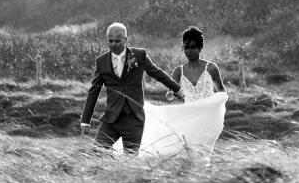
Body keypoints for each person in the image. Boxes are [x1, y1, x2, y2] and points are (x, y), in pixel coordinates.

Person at [79, 22, 183, 154]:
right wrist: (85, 121)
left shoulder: (139, 55)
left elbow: (157, 73)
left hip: (134, 119)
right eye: (110, 41)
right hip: (111, 119)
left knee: (129, 158)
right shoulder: (101, 61)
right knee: (96, 153)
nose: (113, 44)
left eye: (117, 41)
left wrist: (177, 89)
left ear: (125, 40)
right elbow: (94, 91)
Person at [136, 25, 229, 159]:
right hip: (190, 117)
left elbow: (221, 93)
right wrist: (172, 94)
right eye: (186, 47)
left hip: (207, 118)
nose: (189, 51)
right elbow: (170, 94)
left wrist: (216, 105)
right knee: (188, 152)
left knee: (203, 152)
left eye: (193, 47)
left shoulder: (211, 69)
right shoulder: (179, 71)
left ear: (200, 48)